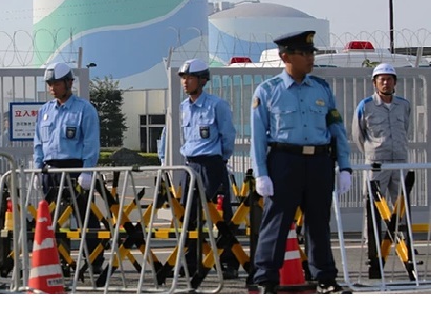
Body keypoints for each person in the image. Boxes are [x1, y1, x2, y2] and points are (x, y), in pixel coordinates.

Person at [250, 31, 352, 294]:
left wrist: (345, 166)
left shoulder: (321, 89)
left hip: (318, 161)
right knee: (277, 221)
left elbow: (336, 128)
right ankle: (266, 279)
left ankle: (325, 278)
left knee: (319, 221)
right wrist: (261, 173)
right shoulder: (268, 91)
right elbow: (258, 137)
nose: (310, 58)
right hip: (284, 161)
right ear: (285, 56)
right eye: (304, 53)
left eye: (311, 53)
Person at [33, 62, 104, 273]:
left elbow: (91, 142)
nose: (52, 88)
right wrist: (38, 168)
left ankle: (94, 260)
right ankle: (60, 260)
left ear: (69, 83)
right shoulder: (44, 111)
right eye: (49, 84)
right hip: (50, 170)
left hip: (75, 169)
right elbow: (38, 142)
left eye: (56, 83)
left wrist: (87, 170)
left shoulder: (84, 110)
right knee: (55, 219)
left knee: (85, 217)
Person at [176, 58, 238, 279]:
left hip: (212, 164)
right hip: (190, 165)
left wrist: (221, 160)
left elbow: (228, 136)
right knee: (190, 217)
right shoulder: (183, 108)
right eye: (183, 78)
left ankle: (229, 262)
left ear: (202, 80)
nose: (185, 82)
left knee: (220, 216)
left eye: (190, 78)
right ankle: (191, 261)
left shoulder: (216, 105)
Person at [352, 63, 411, 279]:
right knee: (373, 205)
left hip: (400, 161)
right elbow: (358, 135)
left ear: (395, 82)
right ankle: (372, 246)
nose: (385, 82)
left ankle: (404, 243)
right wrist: (372, 152)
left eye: (389, 78)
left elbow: (406, 128)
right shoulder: (365, 105)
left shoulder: (404, 105)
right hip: (377, 163)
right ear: (375, 82)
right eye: (381, 79)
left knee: (400, 204)